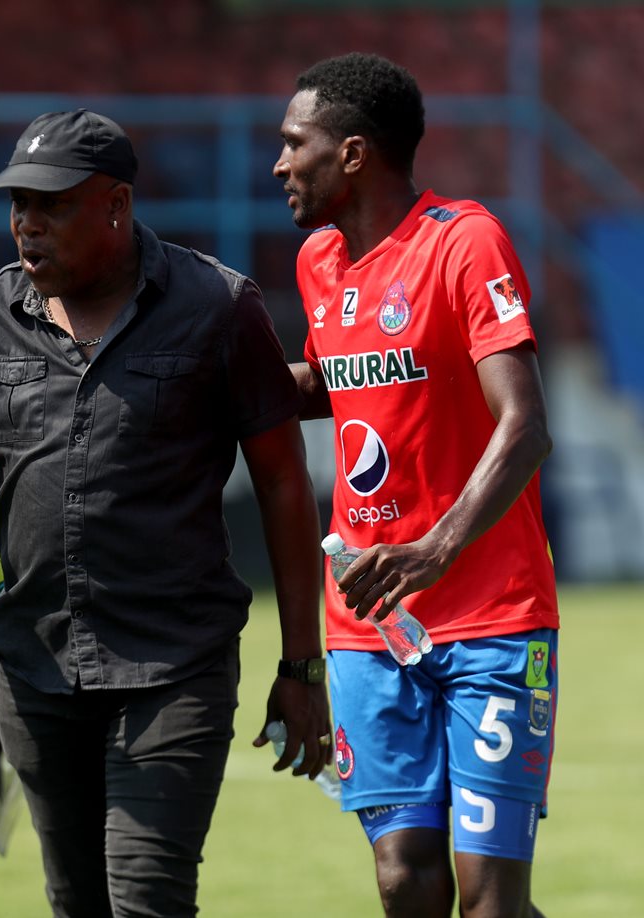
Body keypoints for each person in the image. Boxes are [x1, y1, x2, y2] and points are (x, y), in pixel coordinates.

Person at [0, 109, 329, 917]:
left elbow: (285, 487)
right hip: (38, 670)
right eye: (19, 206)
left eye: (52, 206)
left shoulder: (218, 307)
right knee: (76, 901)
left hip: (174, 666)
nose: (27, 226)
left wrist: (301, 666)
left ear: (116, 204)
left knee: (148, 898)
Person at [274, 53, 558, 917]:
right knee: (403, 876)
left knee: (490, 901)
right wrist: (202, 380)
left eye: (295, 144)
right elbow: (340, 380)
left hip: (493, 619)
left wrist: (437, 548)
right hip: (369, 622)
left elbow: (526, 424)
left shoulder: (464, 242)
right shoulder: (318, 262)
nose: (280, 165)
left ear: (353, 154)